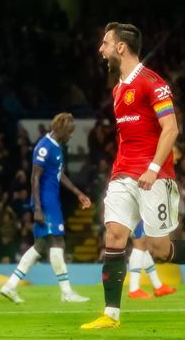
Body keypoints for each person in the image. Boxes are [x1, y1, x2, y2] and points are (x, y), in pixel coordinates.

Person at [82, 23, 184, 329]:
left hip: (154, 176)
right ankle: (110, 315)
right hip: (122, 174)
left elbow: (171, 129)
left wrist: (153, 168)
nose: (101, 49)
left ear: (121, 47)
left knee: (159, 250)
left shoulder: (153, 83)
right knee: (114, 236)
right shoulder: (117, 90)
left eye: (105, 43)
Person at [0, 112, 91, 304]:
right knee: (58, 242)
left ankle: (10, 286)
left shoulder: (57, 147)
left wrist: (78, 193)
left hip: (51, 201)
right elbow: (35, 177)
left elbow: (59, 174)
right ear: (62, 130)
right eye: (70, 131)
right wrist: (38, 208)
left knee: (40, 246)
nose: (72, 135)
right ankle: (66, 292)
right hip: (46, 202)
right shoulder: (44, 146)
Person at [127, 223, 177, 299]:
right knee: (139, 242)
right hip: (135, 213)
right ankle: (134, 289)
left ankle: (158, 286)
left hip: (140, 213)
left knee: (144, 243)